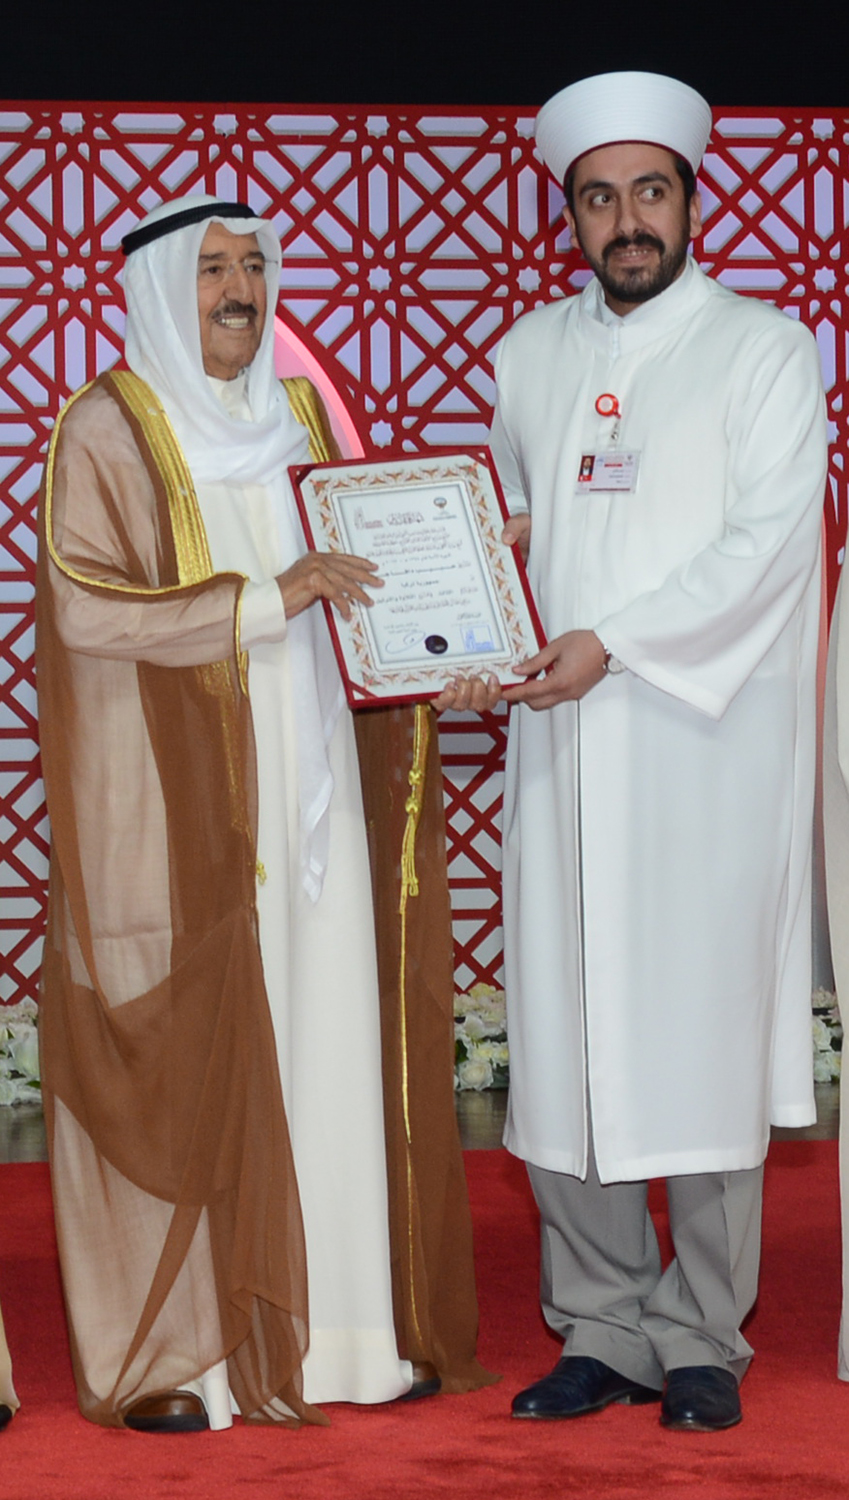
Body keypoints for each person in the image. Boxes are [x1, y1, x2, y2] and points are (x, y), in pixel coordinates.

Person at [36, 194, 491, 1432]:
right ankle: (183, 1359)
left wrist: (462, 613)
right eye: (212, 270)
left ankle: (341, 1338)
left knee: (323, 1032)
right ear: (158, 291)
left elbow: (365, 575)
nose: (239, 291)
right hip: (188, 806)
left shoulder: (302, 416)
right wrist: (264, 599)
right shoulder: (108, 426)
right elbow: (84, 605)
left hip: (319, 781)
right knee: (198, 1056)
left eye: (253, 266)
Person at [445, 70, 827, 1432]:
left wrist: (614, 642)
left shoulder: (765, 352)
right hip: (563, 748)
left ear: (689, 200)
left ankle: (703, 1333)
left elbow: (770, 547)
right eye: (599, 198)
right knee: (569, 1034)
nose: (627, 221)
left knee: (697, 1031)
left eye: (648, 192)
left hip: (701, 747)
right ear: (570, 214)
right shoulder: (527, 356)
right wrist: (464, 624)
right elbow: (520, 532)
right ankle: (601, 1323)